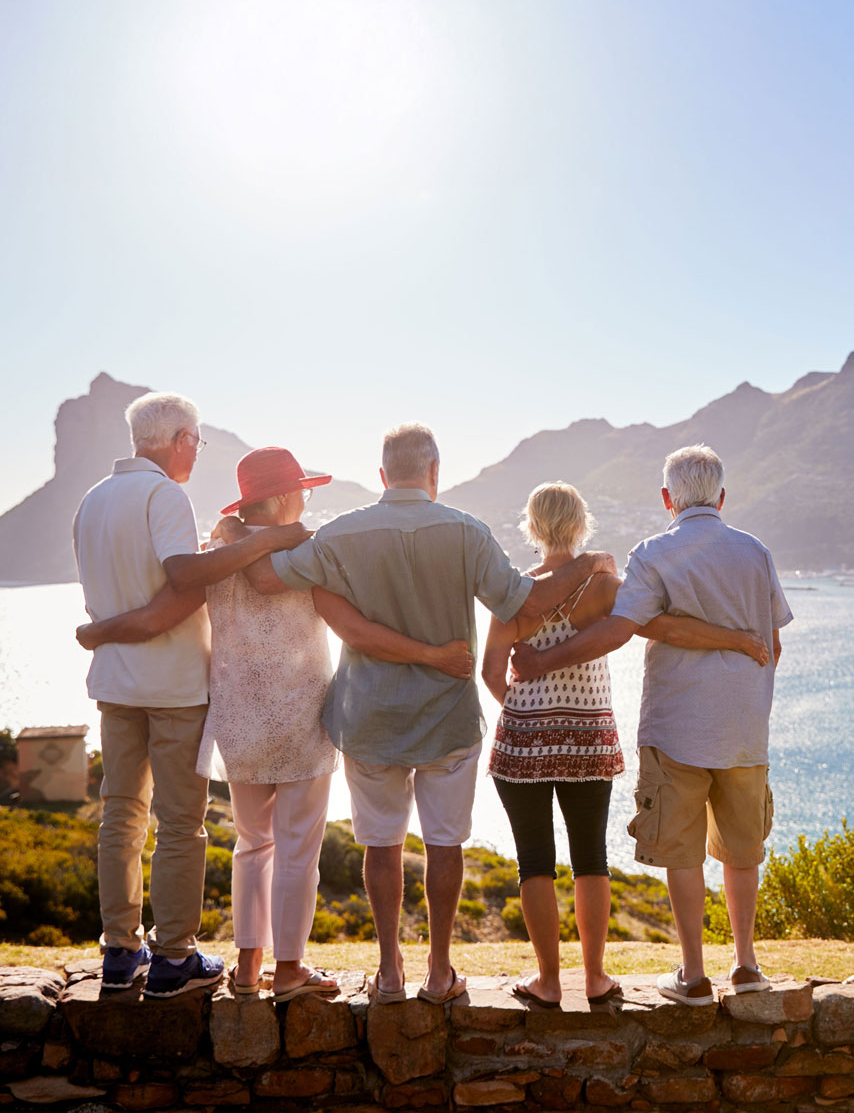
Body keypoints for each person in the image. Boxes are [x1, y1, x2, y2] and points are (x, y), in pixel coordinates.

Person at [232, 424, 617, 1005]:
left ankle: (389, 971)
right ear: (434, 472)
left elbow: (262, 578)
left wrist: (256, 533)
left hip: (368, 719)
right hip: (446, 717)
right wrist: (588, 560)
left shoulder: (341, 533)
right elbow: (530, 601)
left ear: (383, 474)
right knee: (445, 846)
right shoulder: (467, 532)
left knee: (380, 847)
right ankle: (439, 971)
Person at [81, 445, 475, 1002]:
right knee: (298, 851)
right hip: (301, 718)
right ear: (289, 496)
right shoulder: (308, 554)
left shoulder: (216, 553)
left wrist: (100, 631)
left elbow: (166, 612)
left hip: (238, 719)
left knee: (252, 845)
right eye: (303, 491)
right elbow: (349, 622)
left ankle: (247, 968)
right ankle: (288, 970)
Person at [511, 444, 792, 1007]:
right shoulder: (756, 553)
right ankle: (745, 964)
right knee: (741, 851)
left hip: (676, 727)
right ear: (721, 496)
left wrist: (541, 661)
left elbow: (619, 630)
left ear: (668, 498)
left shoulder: (653, 553)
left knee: (682, 852)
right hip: (744, 730)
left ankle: (692, 974)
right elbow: (774, 642)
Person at [72, 392, 311, 996]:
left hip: (113, 683)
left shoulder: (91, 502)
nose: (196, 455)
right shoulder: (164, 495)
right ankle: (174, 959)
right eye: (196, 443)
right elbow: (183, 582)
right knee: (181, 823)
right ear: (179, 439)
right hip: (174, 686)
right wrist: (263, 542)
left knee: (120, 817)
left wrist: (102, 632)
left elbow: (110, 596)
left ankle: (120, 952)